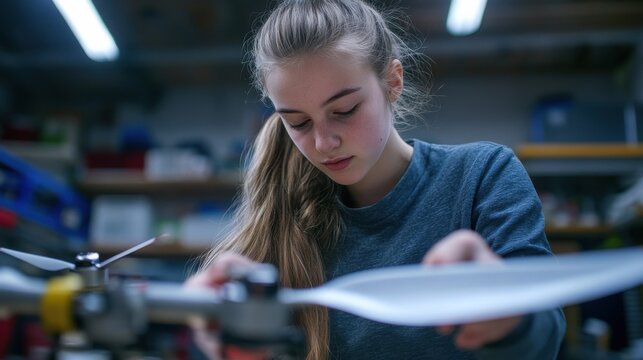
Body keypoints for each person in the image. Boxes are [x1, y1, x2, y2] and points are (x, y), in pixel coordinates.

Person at [185, 0, 566, 359]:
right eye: (298, 122)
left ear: (392, 81)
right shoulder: (283, 222)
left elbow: (546, 336)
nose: (323, 143)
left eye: (345, 110)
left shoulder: (482, 175)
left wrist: (510, 315)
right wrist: (215, 326)